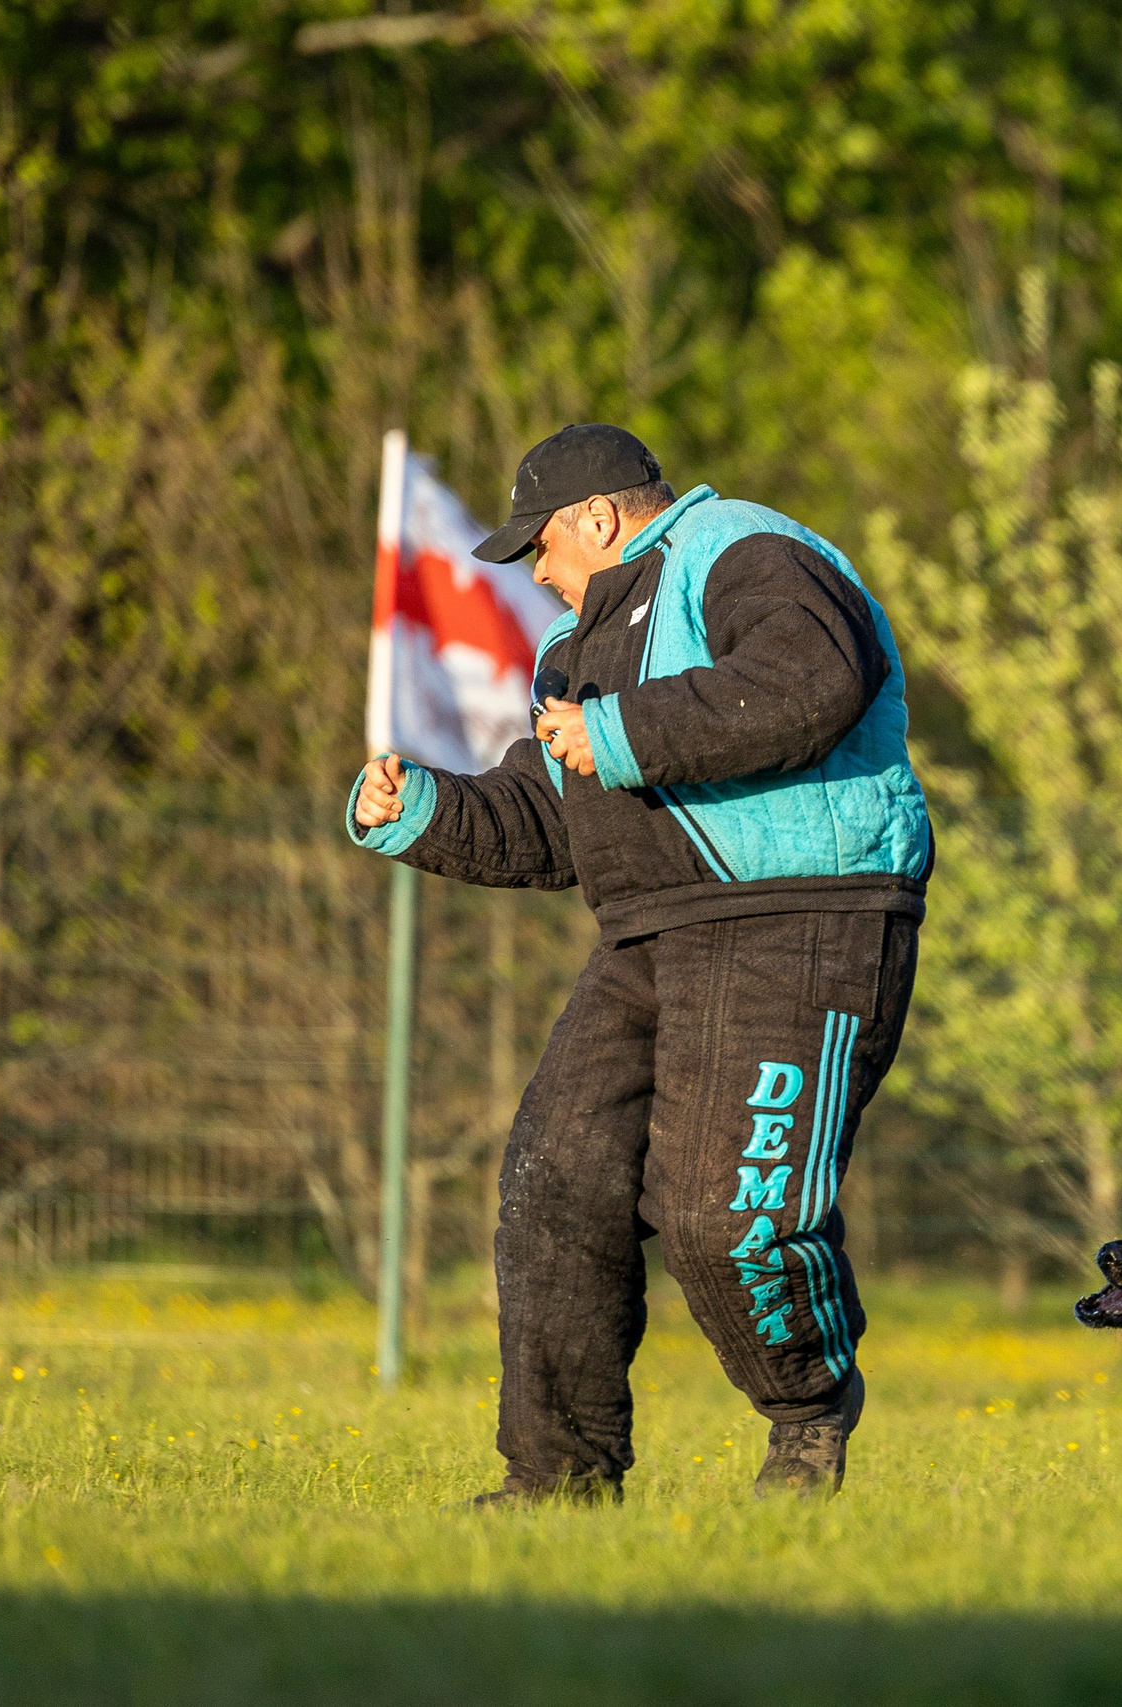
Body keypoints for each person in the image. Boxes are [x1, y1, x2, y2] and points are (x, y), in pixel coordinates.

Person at [349, 424, 930, 1503]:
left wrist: (618, 737)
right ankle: (557, 1482)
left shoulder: (746, 550)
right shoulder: (577, 651)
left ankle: (806, 1410)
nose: (540, 578)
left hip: (799, 918)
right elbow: (555, 817)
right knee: (551, 1188)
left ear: (598, 520)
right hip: (650, 931)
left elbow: (810, 678)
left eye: (542, 551)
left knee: (724, 1217)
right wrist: (419, 807)